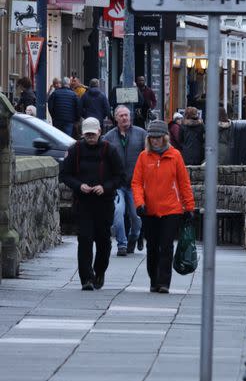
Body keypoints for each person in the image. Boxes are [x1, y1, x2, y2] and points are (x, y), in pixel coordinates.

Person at [59, 117, 124, 290]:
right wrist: (79, 186)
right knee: (85, 239)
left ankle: (99, 270)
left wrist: (105, 187)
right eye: (87, 134)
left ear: (99, 133)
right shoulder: (75, 150)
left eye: (92, 134)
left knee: (104, 241)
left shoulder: (110, 150)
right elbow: (65, 174)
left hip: (104, 202)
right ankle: (86, 278)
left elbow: (120, 176)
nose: (90, 137)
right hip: (83, 202)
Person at [131, 120, 195, 293]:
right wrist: (139, 202)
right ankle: (154, 279)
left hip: (171, 209)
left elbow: (184, 183)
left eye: (158, 137)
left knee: (166, 246)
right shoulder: (144, 157)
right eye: (152, 138)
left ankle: (164, 282)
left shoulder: (175, 156)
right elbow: (136, 183)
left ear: (165, 137)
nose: (155, 141)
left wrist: (189, 207)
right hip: (149, 210)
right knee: (152, 247)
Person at [103, 105, 147, 256]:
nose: (124, 118)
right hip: (118, 184)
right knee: (118, 212)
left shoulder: (141, 134)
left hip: (135, 184)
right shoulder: (109, 137)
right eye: (121, 115)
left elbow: (148, 156)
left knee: (136, 218)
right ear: (116, 118)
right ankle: (122, 244)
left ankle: (133, 238)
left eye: (126, 115)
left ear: (130, 117)